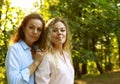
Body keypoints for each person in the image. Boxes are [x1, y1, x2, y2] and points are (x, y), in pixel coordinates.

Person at [5, 13, 45, 84]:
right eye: (31, 27)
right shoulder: (15, 49)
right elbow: (14, 82)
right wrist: (35, 63)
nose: (35, 32)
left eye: (39, 29)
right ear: (23, 28)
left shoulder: (40, 50)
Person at [35, 18, 74, 84]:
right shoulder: (46, 57)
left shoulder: (66, 55)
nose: (59, 33)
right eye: (54, 30)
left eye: (62, 30)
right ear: (48, 35)